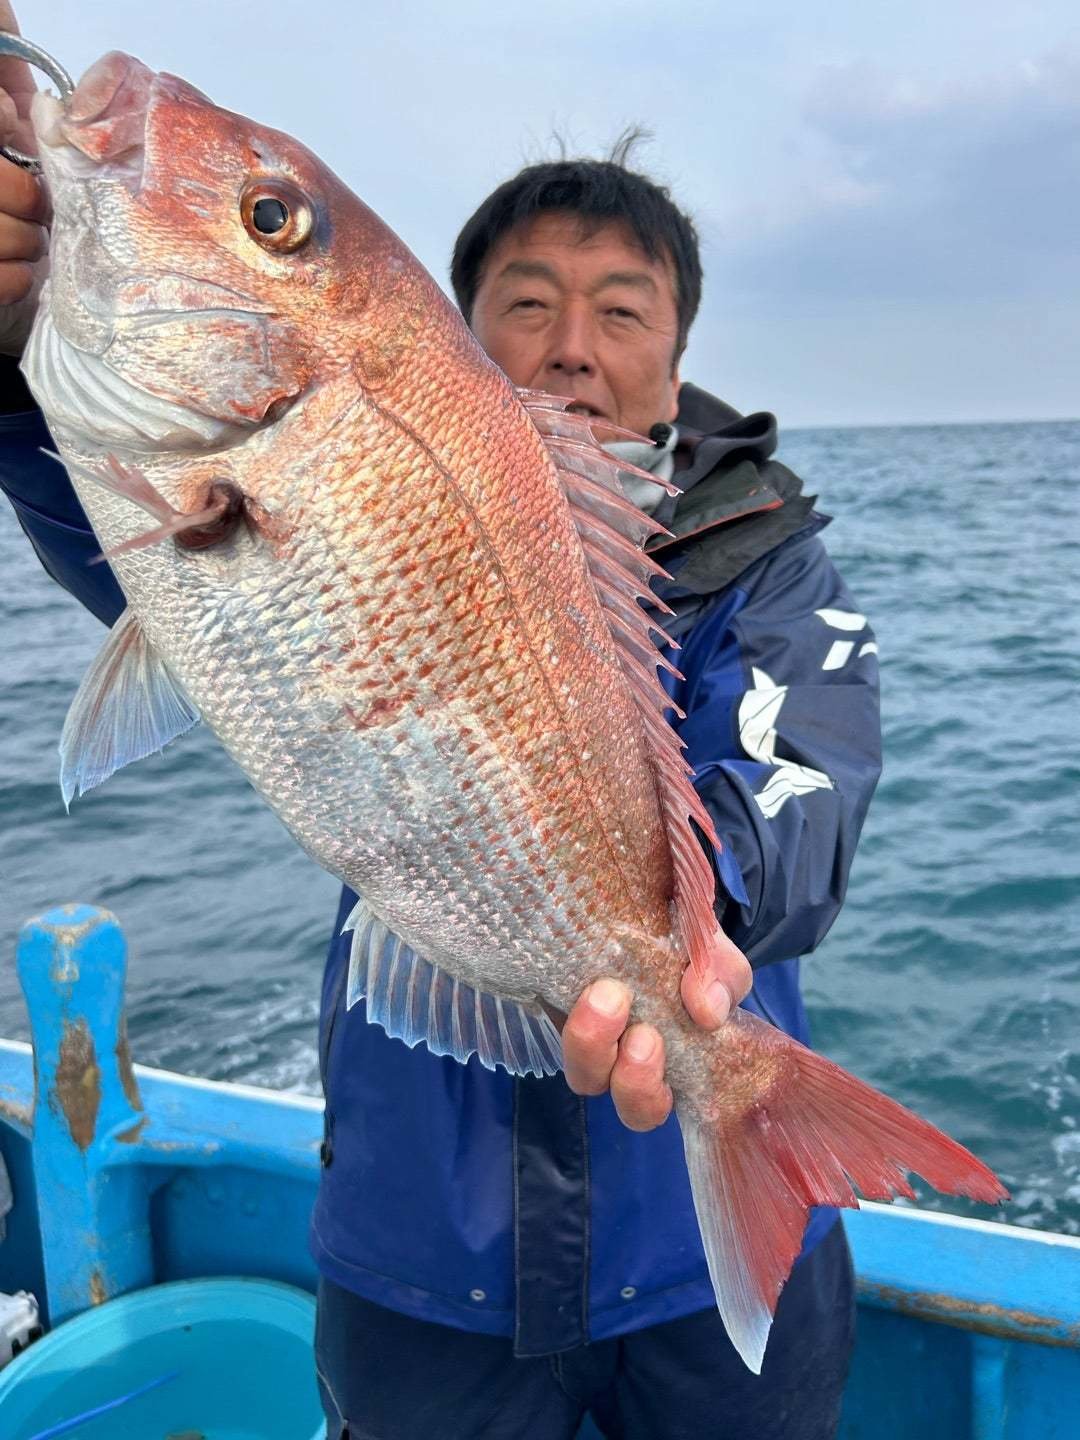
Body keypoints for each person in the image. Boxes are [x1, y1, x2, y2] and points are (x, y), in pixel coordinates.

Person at [0, 15, 881, 1439]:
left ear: (677, 355)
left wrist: (687, 939)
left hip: (685, 1250)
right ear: (457, 333)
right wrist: (13, 361)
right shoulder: (296, 465)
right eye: (526, 303)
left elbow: (807, 791)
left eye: (622, 311)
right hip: (418, 1239)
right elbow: (146, 562)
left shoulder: (771, 561)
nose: (573, 346)